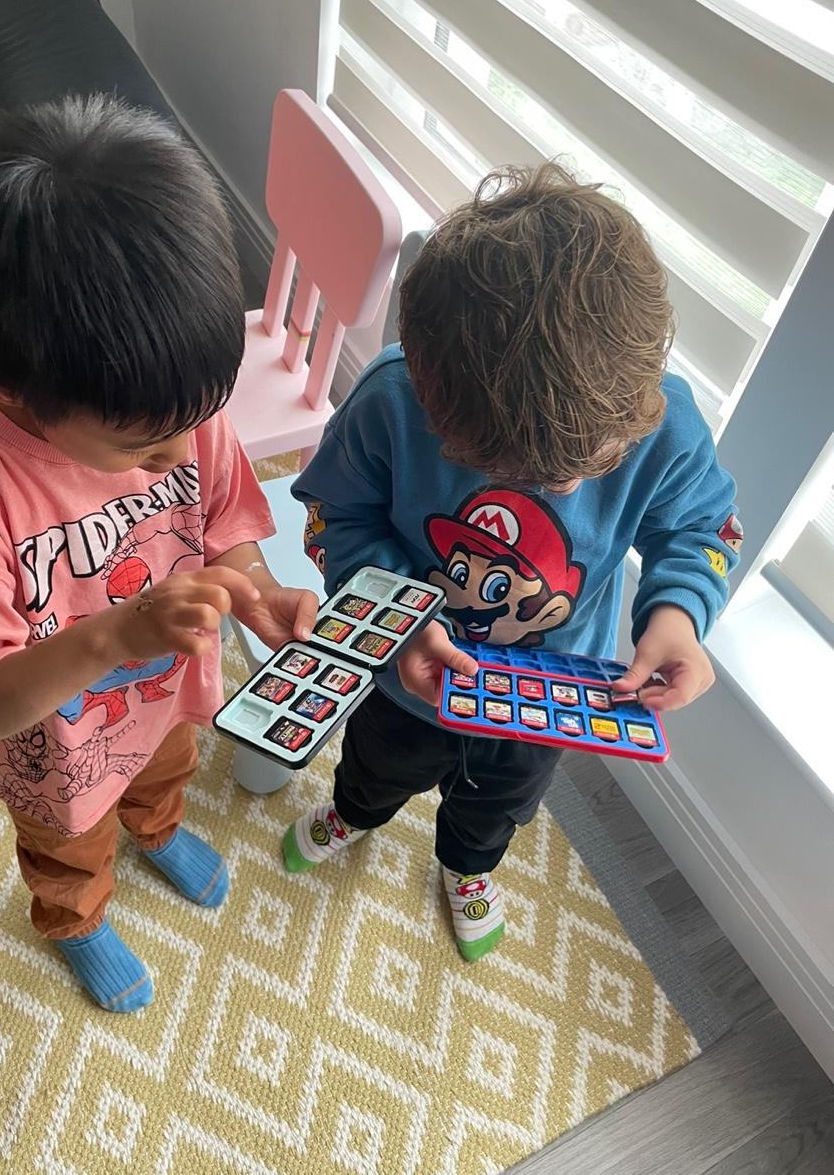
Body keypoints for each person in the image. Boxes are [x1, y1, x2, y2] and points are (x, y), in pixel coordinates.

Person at [0, 95, 319, 1011]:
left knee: (166, 773)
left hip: (169, 700)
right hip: (57, 753)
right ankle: (76, 918)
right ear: (8, 391)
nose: (179, 455)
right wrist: (114, 638)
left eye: (197, 421)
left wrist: (257, 591)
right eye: (139, 446)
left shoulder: (179, 411)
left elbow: (224, 527)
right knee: (68, 848)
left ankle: (157, 830)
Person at [282, 162, 741, 962]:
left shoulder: (665, 424)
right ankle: (353, 813)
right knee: (375, 766)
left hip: (551, 692)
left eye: (589, 466)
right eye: (509, 469)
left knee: (497, 804)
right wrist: (395, 616)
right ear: (430, 391)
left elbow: (703, 526)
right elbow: (334, 514)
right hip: (407, 674)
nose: (561, 489)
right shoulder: (392, 400)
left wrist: (678, 615)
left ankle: (468, 866)